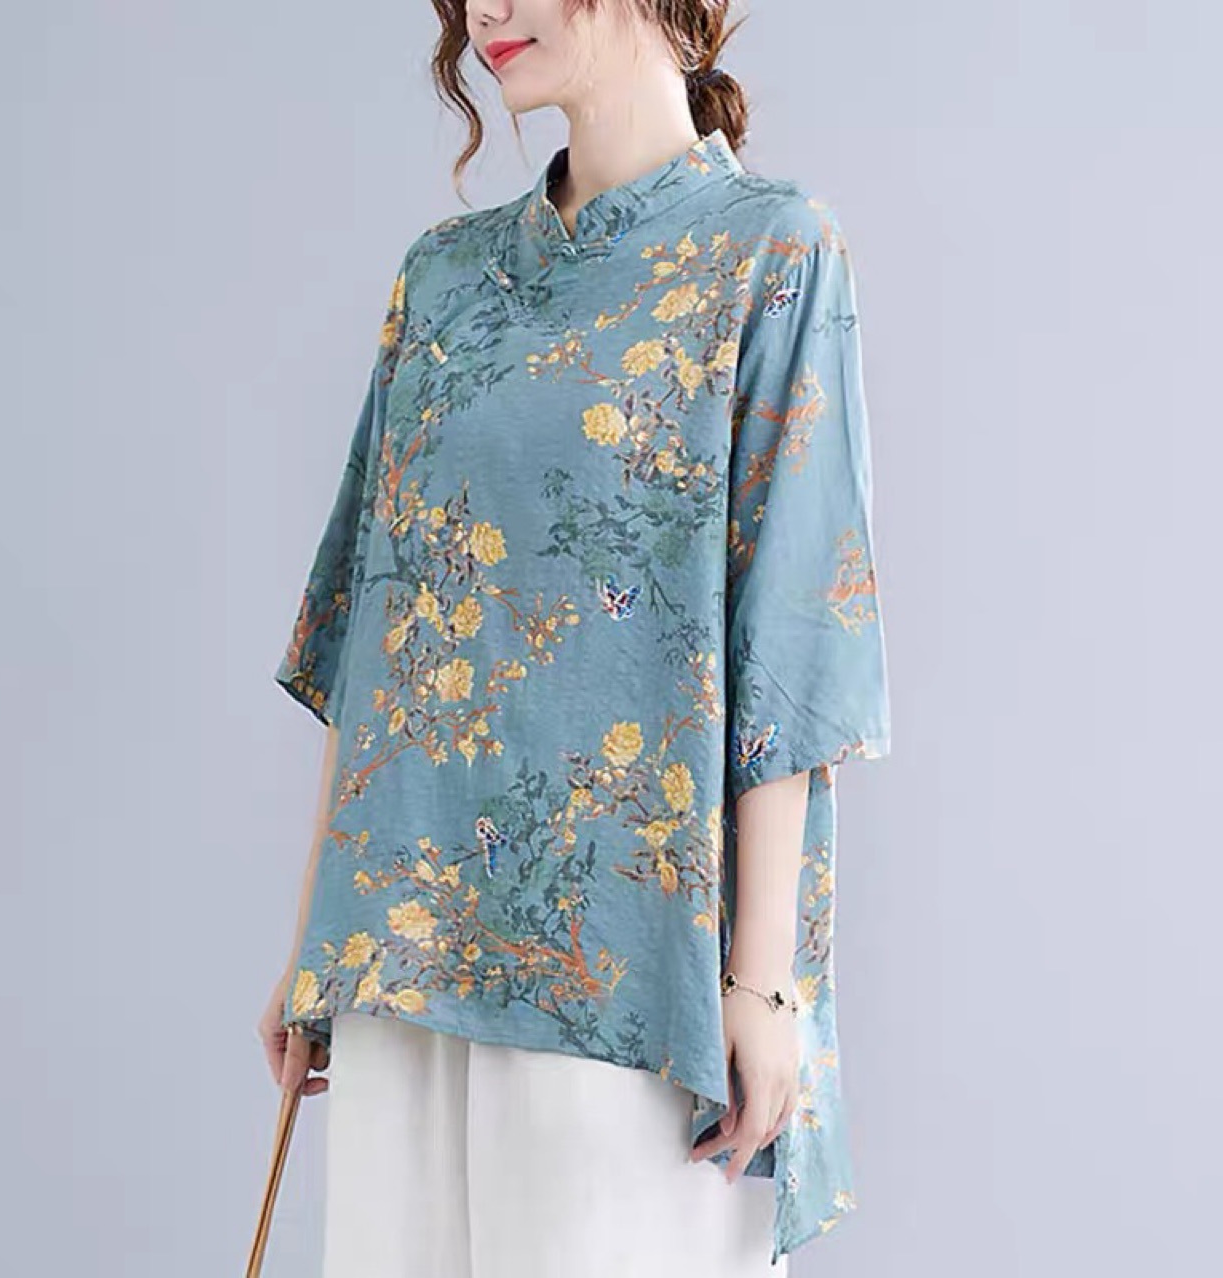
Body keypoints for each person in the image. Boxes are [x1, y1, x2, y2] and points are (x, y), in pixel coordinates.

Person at [258, 2, 891, 1274]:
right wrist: (314, 940)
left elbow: (795, 630)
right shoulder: (443, 276)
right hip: (399, 953)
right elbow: (375, 618)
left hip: (631, 963)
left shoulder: (770, 248)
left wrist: (763, 984)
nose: (484, 10)